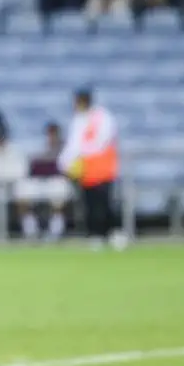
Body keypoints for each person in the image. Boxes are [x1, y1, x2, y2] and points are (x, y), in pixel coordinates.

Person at [58, 89, 125, 250]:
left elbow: (102, 141)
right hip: (86, 169)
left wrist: (82, 151)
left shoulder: (102, 117)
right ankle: (96, 234)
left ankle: (114, 232)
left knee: (105, 202)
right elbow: (72, 145)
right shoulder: (78, 120)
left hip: (103, 166)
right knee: (90, 203)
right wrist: (64, 162)